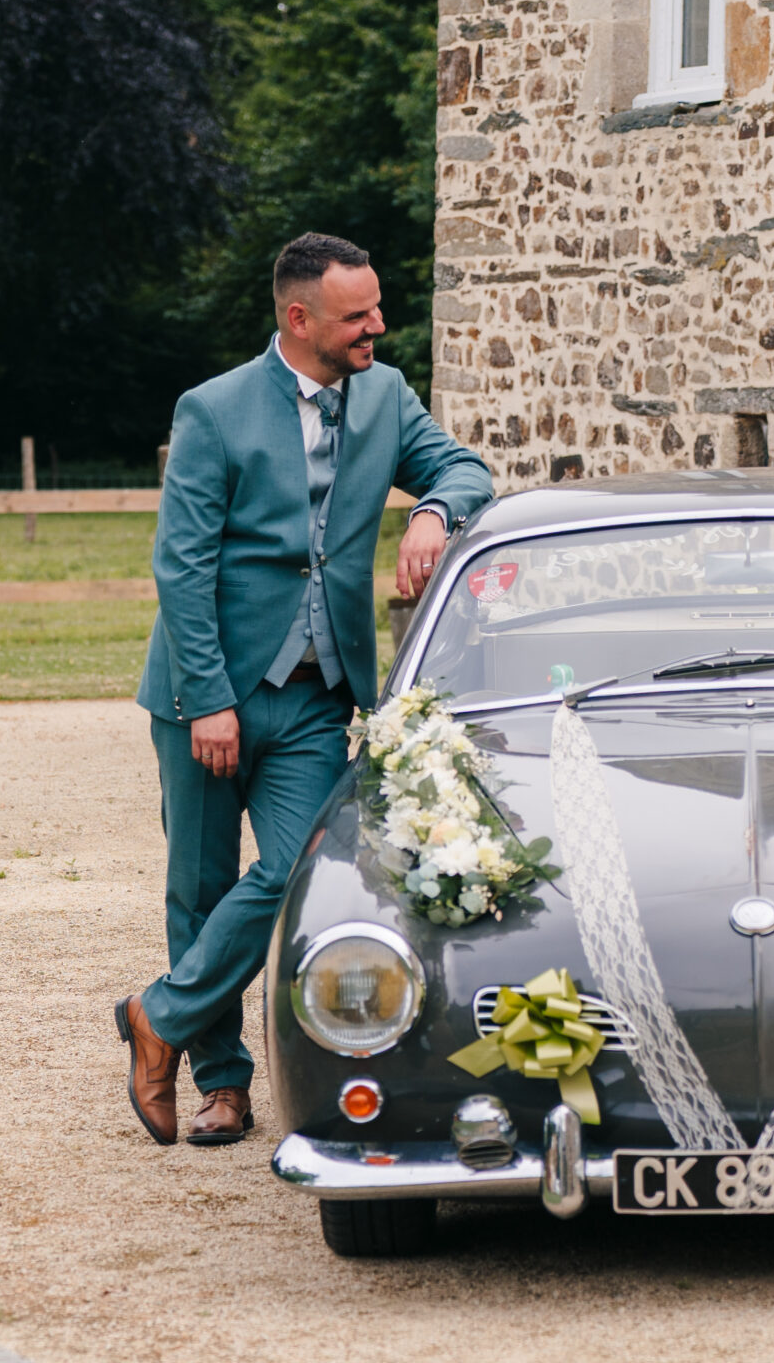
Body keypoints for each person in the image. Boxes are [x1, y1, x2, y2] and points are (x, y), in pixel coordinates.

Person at [117, 233, 494, 1147]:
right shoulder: (214, 411)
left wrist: (432, 510)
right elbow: (181, 566)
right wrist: (209, 698)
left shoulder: (387, 395)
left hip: (320, 695)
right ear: (299, 318)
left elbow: (466, 470)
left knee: (301, 875)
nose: (377, 326)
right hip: (209, 692)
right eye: (356, 315)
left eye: (376, 308)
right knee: (200, 889)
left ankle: (156, 1016)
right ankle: (222, 1085)